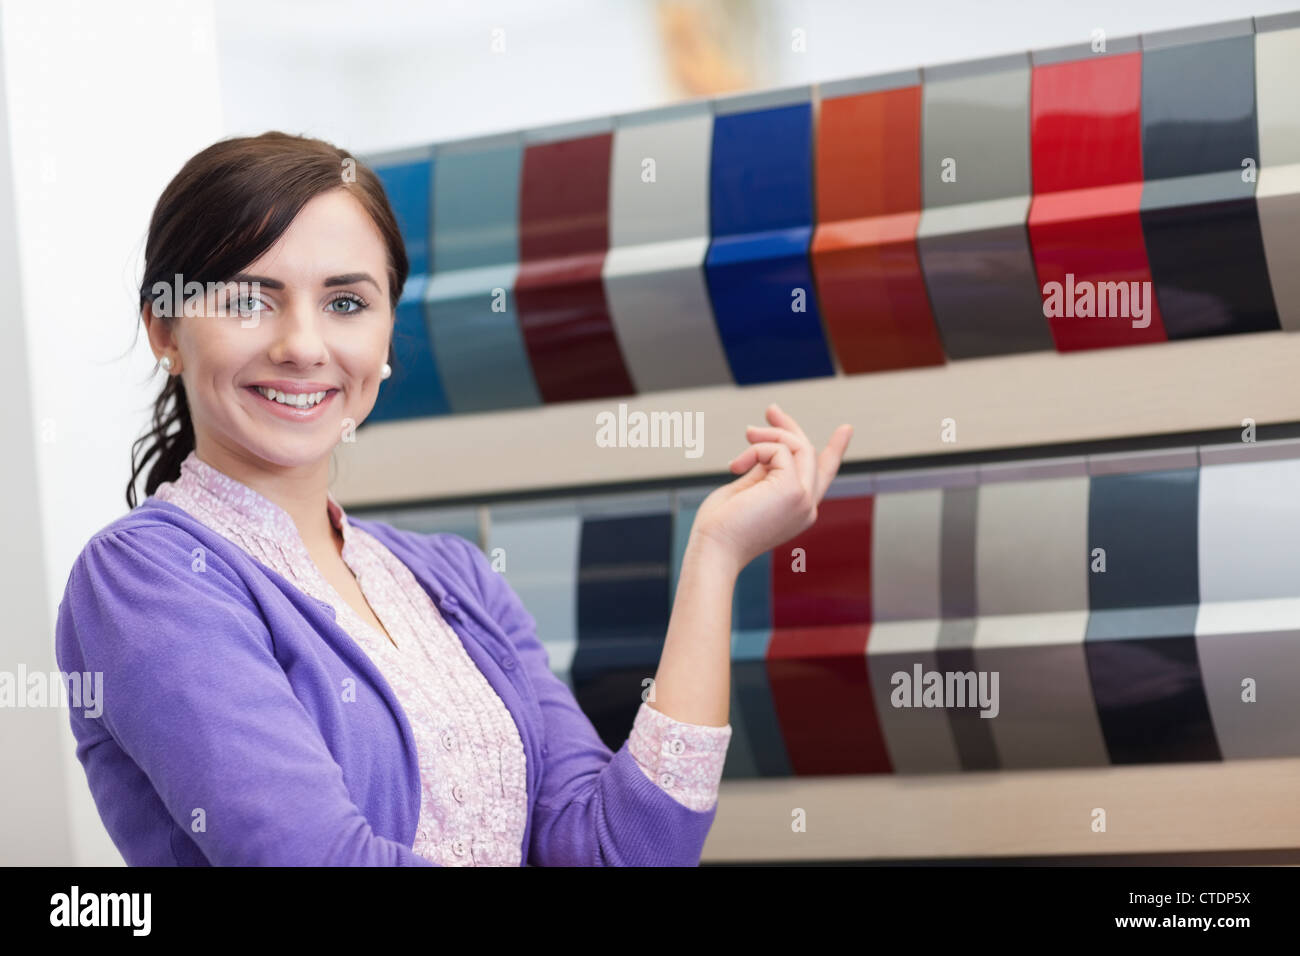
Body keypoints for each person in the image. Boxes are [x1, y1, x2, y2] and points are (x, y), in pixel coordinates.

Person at [54, 131, 853, 866]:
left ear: (386, 335)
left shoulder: (455, 580)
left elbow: (617, 851)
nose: (302, 345)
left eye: (345, 303)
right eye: (248, 299)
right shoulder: (143, 579)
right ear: (165, 331)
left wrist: (715, 556)